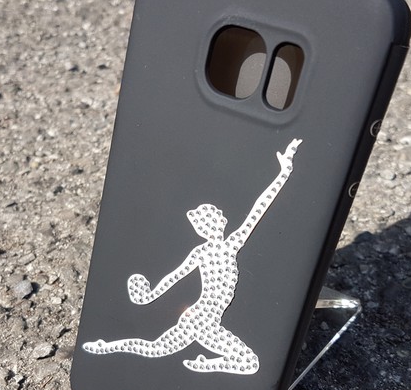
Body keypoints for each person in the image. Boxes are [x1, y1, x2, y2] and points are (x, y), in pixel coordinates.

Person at [83, 138, 302, 375]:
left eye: (212, 219)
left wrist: (285, 171)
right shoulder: (208, 250)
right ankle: (109, 348)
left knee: (155, 348)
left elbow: (259, 208)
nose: (211, 225)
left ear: (220, 222)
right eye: (206, 223)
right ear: (203, 228)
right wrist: (148, 296)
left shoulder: (229, 245)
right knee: (246, 362)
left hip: (200, 318)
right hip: (203, 319)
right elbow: (174, 277)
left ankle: (108, 347)